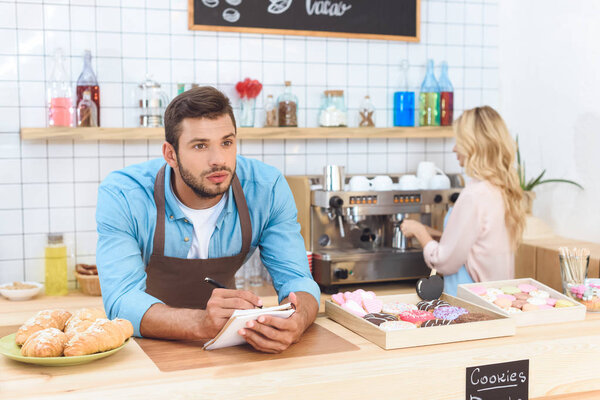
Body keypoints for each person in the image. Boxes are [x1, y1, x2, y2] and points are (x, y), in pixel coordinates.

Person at [96, 86, 320, 353]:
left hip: (232, 344)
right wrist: (200, 323)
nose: (219, 160)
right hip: (147, 348)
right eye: (200, 146)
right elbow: (120, 299)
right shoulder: (123, 194)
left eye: (227, 143)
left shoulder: (267, 188)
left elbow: (297, 278)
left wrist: (298, 320)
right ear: (170, 154)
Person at [401, 106, 526, 296]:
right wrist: (433, 233)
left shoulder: (473, 195)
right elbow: (475, 245)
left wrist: (418, 231)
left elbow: (444, 262)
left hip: (472, 300)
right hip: (498, 299)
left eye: (459, 141)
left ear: (474, 146)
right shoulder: (501, 189)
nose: (454, 148)